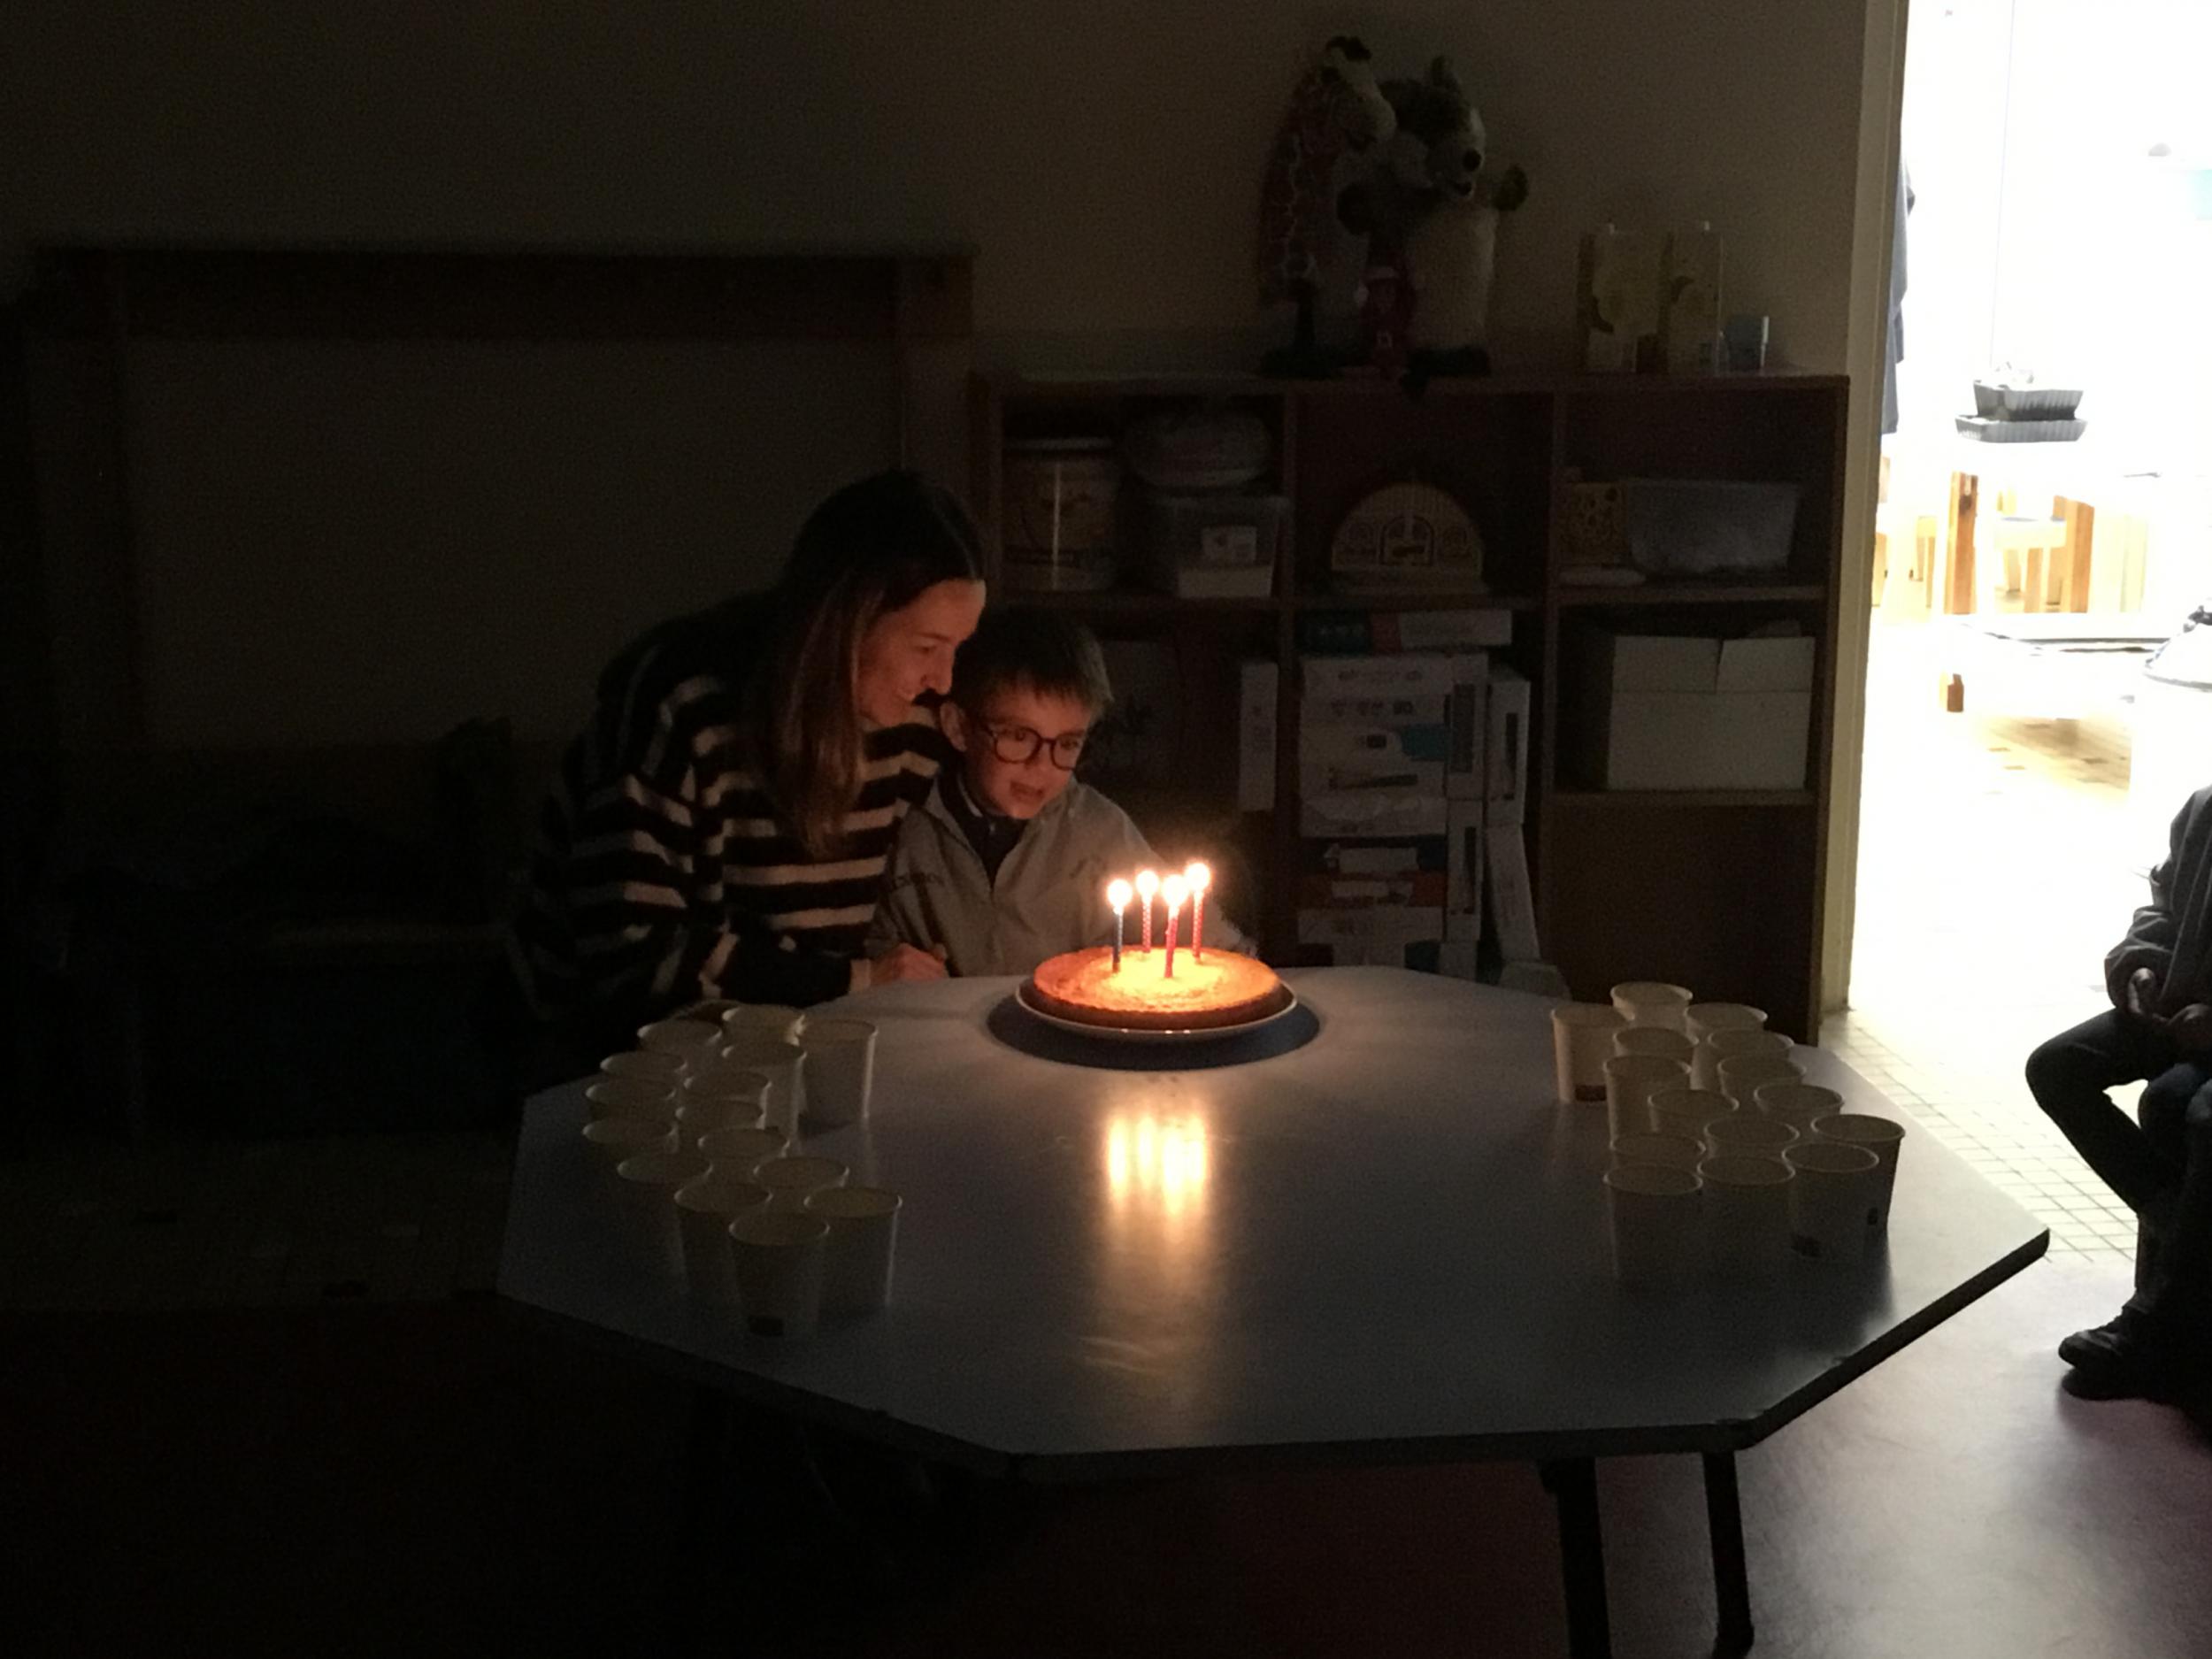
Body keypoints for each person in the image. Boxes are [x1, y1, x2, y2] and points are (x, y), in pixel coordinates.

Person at [508, 471, 985, 1078]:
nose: (943, 679)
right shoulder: (683, 707)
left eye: (957, 649)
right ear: (845, 623)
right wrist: (855, 979)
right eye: (926, 647)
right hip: (608, 1058)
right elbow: (630, 955)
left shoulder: (911, 726)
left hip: (788, 1042)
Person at [869, 608, 1248, 976]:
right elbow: (865, 948)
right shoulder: (900, 822)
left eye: (1067, 744)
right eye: (1019, 736)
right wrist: (885, 971)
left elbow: (1210, 945)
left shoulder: (1098, 832)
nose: (1042, 766)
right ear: (958, 727)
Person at [2025, 780, 2212, 1402]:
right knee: (2058, 1067)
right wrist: (2141, 966)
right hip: (2182, 1012)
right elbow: (2162, 906)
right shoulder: (2205, 807)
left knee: (2189, 1108)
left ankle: (2151, 1321)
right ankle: (2183, 1239)